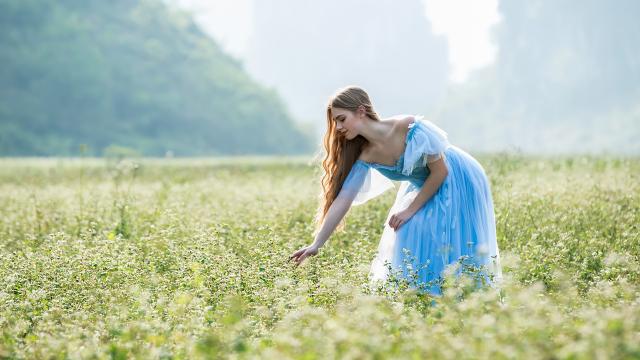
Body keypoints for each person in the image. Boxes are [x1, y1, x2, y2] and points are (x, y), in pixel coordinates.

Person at [289, 85, 502, 296]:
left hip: (458, 176)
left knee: (447, 234)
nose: (338, 127)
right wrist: (316, 244)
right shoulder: (365, 155)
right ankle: (423, 298)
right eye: (335, 121)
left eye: (341, 119)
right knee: (409, 231)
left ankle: (464, 296)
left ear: (361, 111)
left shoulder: (408, 127)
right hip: (424, 185)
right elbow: (344, 198)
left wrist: (408, 210)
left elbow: (440, 172)